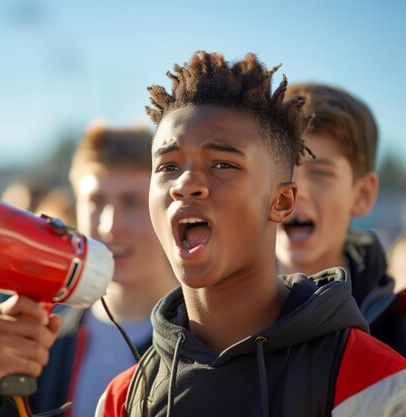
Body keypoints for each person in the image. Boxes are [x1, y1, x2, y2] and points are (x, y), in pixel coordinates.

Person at [96, 51, 406, 417]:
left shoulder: (373, 383)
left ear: (281, 200)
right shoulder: (124, 399)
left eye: (223, 164)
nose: (185, 184)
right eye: (168, 166)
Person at [0, 123, 178, 417]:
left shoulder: (203, 340)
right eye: (96, 202)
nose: (111, 226)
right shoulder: (41, 345)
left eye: (132, 203)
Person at [275, 82, 406, 355]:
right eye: (281, 170)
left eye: (320, 173)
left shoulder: (395, 333)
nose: (295, 191)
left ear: (362, 195)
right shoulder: (217, 322)